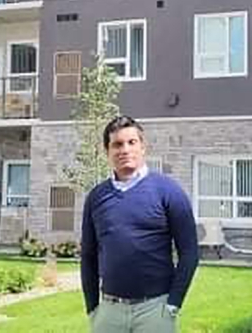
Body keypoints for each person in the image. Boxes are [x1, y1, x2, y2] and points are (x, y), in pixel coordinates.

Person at [81, 115, 199, 333]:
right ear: (107, 151)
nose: (124, 150)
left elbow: (190, 252)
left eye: (131, 142)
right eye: (117, 144)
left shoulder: (168, 191)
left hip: (155, 309)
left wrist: (173, 304)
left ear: (143, 147)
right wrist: (92, 308)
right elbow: (87, 256)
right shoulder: (96, 197)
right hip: (109, 311)